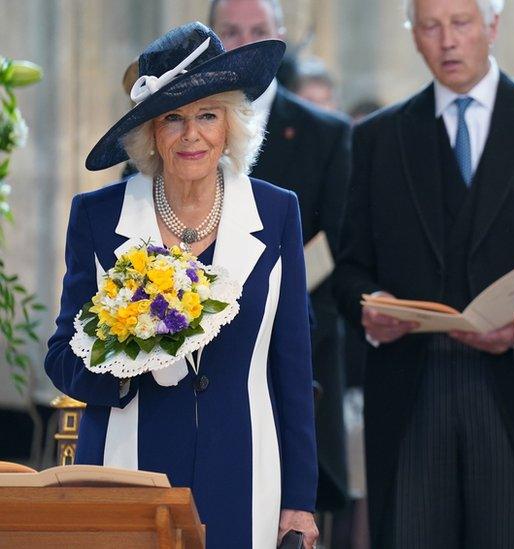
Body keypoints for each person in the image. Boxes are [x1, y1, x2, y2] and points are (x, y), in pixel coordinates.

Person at [331, 0, 514, 545]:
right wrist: (371, 308)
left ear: (492, 26)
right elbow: (349, 268)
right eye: (430, 27)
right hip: (410, 390)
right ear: (414, 36)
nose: (447, 41)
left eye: (460, 24)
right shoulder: (377, 137)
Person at [44, 22, 318, 548]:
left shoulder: (277, 211)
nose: (192, 135)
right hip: (128, 476)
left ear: (230, 125)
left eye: (207, 115)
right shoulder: (98, 216)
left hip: (247, 471)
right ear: (149, 133)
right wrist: (128, 356)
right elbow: (62, 359)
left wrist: (300, 502)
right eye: (172, 118)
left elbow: (293, 365)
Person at [209, 0, 352, 515]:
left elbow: (340, 251)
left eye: (259, 30)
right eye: (231, 31)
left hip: (295, 356)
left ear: (281, 37)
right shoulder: (178, 129)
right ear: (211, 37)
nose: (246, 43)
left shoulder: (327, 134)